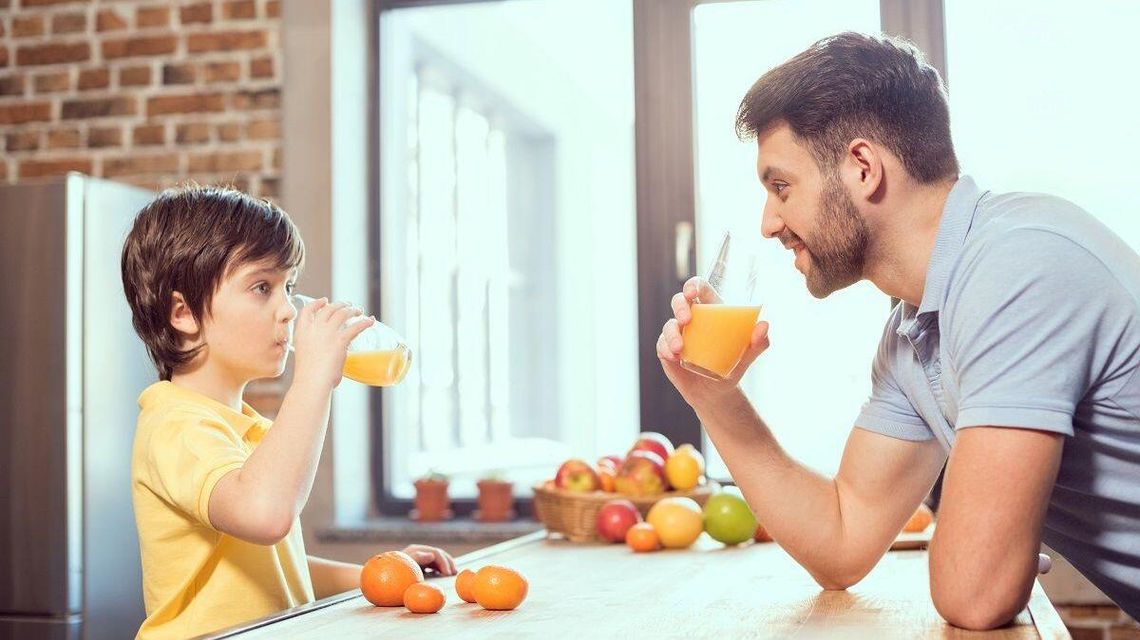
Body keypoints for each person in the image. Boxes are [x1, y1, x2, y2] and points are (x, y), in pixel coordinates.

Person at [657, 32, 1140, 629]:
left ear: (862, 167)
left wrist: (985, 546)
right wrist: (713, 396)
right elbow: (842, 539)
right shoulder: (914, 331)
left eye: (781, 187)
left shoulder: (1017, 265)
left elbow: (976, 592)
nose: (768, 222)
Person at [121, 185, 456, 639]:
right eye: (262, 287)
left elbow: (272, 569)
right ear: (183, 313)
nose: (288, 311)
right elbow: (266, 516)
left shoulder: (248, 430)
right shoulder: (175, 425)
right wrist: (315, 377)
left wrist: (378, 574)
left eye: (289, 287)